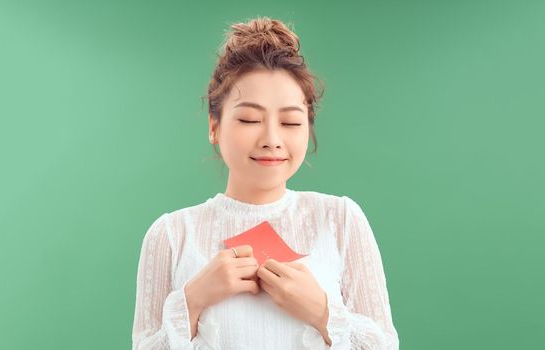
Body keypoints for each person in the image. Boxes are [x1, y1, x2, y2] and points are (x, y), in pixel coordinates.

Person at [131, 16, 399, 350]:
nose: (272, 139)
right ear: (214, 125)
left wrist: (322, 313)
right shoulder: (171, 234)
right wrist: (192, 301)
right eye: (249, 119)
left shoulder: (341, 219)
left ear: (308, 129)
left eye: (290, 121)